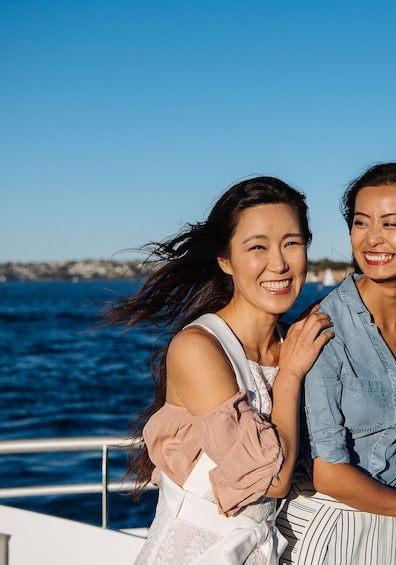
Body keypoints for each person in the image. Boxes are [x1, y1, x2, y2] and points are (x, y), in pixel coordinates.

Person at [106, 176, 333, 564]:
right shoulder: (199, 347)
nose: (278, 263)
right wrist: (291, 376)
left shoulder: (291, 343)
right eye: (257, 246)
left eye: (291, 243)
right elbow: (273, 481)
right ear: (225, 260)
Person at [276, 161, 396, 564]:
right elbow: (329, 473)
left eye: (391, 223)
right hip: (327, 526)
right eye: (362, 223)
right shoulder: (324, 327)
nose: (373, 239)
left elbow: (388, 425)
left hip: (392, 521)